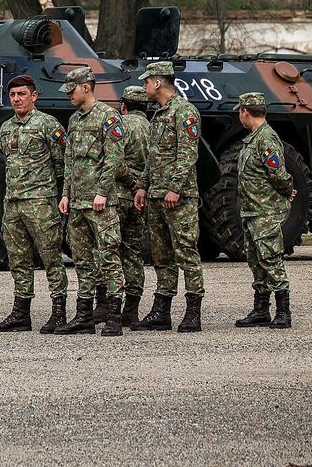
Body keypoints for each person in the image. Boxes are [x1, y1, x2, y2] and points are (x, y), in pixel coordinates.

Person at [0, 75, 68, 333]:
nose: (16, 99)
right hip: (13, 204)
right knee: (18, 260)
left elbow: (62, 165)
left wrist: (54, 195)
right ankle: (21, 314)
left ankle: (59, 312)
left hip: (40, 204)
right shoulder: (6, 128)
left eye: (22, 94)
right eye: (12, 95)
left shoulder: (48, 125)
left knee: (50, 258)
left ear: (34, 96)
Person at [133, 61, 204, 333]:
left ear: (158, 82)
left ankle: (193, 311)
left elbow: (188, 154)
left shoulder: (184, 112)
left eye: (146, 81)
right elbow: (153, 157)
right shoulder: (158, 114)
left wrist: (175, 187)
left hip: (178, 197)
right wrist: (142, 186)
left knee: (186, 252)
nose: (144, 86)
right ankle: (161, 311)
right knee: (161, 255)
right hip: (156, 196)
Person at [55, 66, 126, 336]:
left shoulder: (108, 117)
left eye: (71, 90)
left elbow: (114, 158)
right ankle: (84, 315)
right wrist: (65, 193)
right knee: (83, 260)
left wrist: (103, 192)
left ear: (86, 86)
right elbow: (70, 162)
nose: (68, 95)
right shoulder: (75, 121)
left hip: (100, 203)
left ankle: (114, 317)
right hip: (77, 203)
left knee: (108, 257)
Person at [232, 92, 296, 329]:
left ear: (245, 112)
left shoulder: (266, 139)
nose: (240, 115)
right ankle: (261, 310)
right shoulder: (254, 138)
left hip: (265, 211)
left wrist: (287, 189)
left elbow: (278, 173)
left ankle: (283, 311)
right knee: (256, 261)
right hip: (252, 210)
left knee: (271, 259)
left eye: (240, 111)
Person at [115, 86, 151, 324]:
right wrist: (141, 186)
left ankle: (108, 305)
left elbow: (114, 161)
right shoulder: (154, 129)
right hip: (142, 198)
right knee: (133, 252)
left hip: (119, 194)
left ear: (124, 106)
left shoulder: (120, 126)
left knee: (108, 250)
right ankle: (132, 308)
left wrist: (131, 183)